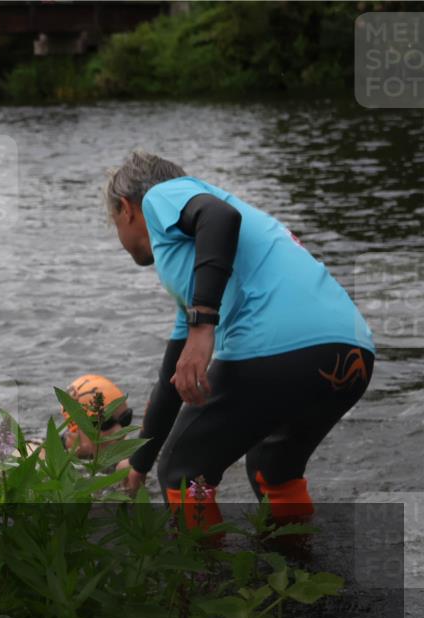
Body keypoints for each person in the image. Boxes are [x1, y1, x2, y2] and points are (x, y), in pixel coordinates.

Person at [104, 151, 375, 529]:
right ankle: (302, 575)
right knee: (272, 467)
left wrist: (203, 326)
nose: (118, 235)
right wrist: (137, 462)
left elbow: (218, 217)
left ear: (125, 208)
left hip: (282, 345)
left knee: (183, 471)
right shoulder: (198, 276)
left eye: (112, 222)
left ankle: (206, 582)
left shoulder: (160, 196)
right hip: (351, 349)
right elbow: (172, 381)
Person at [60, 374, 133, 458]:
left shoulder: (133, 454)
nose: (119, 430)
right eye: (105, 423)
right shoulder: (47, 460)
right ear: (75, 431)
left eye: (125, 418)